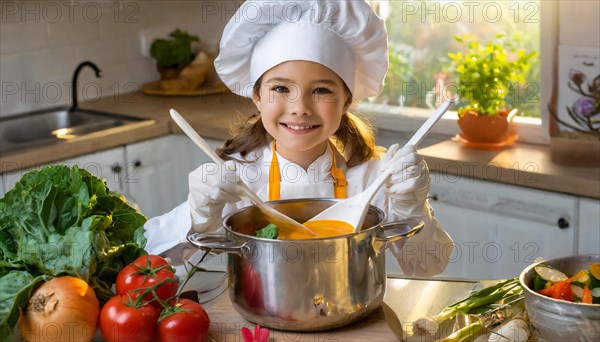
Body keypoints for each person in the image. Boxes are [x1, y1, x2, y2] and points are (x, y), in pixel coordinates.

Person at [144, 0, 452, 277]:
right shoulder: (234, 178)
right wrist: (197, 215)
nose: (300, 108)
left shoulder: (374, 177)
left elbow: (429, 265)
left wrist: (412, 209)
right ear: (256, 96)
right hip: (259, 322)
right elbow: (149, 258)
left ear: (347, 100)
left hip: (352, 317)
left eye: (321, 90)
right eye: (280, 89)